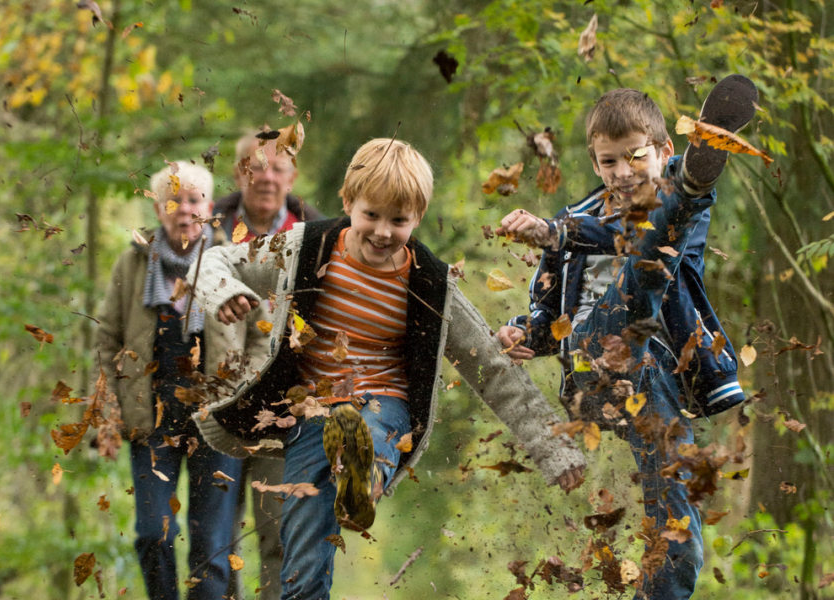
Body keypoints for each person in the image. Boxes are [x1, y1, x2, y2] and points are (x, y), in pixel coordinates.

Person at [187, 138, 586, 600]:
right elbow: (215, 259)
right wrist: (224, 292)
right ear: (347, 202)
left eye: (398, 221)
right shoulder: (306, 247)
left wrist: (552, 448)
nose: (382, 231)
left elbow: (489, 366)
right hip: (312, 415)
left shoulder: (430, 283)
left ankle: (363, 480)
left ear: (417, 218)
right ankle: (349, 485)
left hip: (384, 404)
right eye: (371, 215)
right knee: (302, 562)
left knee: (367, 426)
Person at [497, 75, 758, 599]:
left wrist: (557, 231)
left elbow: (646, 241)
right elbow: (551, 316)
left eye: (635, 157)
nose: (621, 173)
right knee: (630, 287)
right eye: (609, 162)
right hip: (593, 376)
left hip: (655, 384)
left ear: (663, 151)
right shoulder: (573, 223)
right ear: (595, 165)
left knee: (679, 533)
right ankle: (694, 172)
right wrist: (522, 332)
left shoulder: (682, 214)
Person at [93, 161, 243, 600]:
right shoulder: (131, 264)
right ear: (158, 210)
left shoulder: (232, 261)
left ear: (210, 209)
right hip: (150, 422)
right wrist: (107, 413)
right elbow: (107, 341)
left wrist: (245, 403)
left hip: (215, 424)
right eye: (173, 201)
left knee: (211, 548)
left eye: (194, 201)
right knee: (151, 533)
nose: (184, 211)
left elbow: (260, 335)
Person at [212, 132, 324, 600]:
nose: (267, 177)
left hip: (285, 407)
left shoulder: (317, 237)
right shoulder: (204, 229)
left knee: (277, 533)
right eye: (255, 166)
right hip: (215, 406)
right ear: (239, 173)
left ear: (292, 176)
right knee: (214, 539)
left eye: (278, 168)